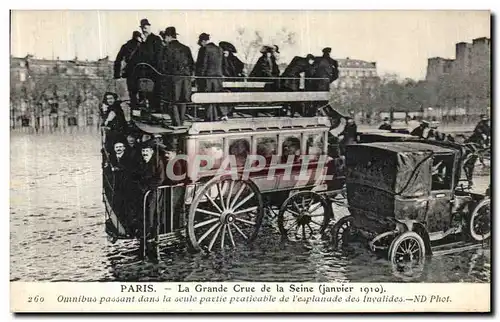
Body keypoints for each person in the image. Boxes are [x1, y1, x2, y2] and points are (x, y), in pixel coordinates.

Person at [137, 139, 166, 261]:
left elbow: (160, 178)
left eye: (146, 151)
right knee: (143, 212)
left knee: (152, 213)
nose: (144, 153)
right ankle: (145, 236)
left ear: (151, 151)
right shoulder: (142, 162)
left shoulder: (157, 161)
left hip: (154, 192)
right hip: (144, 191)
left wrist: (149, 188)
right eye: (143, 151)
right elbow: (137, 176)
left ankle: (152, 236)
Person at [159, 26, 195, 126]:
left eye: (165, 37)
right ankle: (181, 122)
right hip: (185, 79)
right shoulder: (186, 48)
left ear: (169, 37)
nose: (165, 40)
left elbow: (162, 65)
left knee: (173, 101)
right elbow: (192, 64)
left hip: (173, 78)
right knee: (183, 101)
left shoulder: (166, 48)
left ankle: (176, 123)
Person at [195, 33, 228, 121]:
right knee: (217, 97)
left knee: (208, 97)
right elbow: (224, 65)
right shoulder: (220, 49)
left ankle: (210, 117)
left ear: (203, 41)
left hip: (207, 78)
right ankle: (221, 115)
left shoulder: (204, 49)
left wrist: (199, 77)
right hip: (218, 78)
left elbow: (202, 65)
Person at [137, 19, 163, 111]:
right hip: (145, 70)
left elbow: (159, 55)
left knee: (155, 90)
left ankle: (155, 108)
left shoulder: (156, 39)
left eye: (146, 28)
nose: (144, 30)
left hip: (154, 70)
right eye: (142, 28)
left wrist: (157, 69)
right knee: (146, 90)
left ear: (149, 27)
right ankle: (149, 107)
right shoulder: (143, 41)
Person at [114, 31, 143, 107]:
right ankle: (143, 110)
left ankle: (134, 111)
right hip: (142, 72)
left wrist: (117, 74)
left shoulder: (125, 46)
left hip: (130, 72)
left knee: (132, 94)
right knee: (142, 93)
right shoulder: (142, 46)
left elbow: (118, 60)